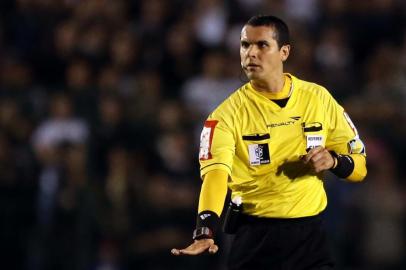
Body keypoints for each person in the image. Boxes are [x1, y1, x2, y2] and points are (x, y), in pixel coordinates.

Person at [171, 15, 367, 270]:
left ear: (284, 51)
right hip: (255, 239)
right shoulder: (225, 116)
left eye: (261, 45)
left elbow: (360, 168)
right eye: (245, 45)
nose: (251, 53)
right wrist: (205, 230)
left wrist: (334, 160)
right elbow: (216, 176)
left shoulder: (318, 99)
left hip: (310, 238)